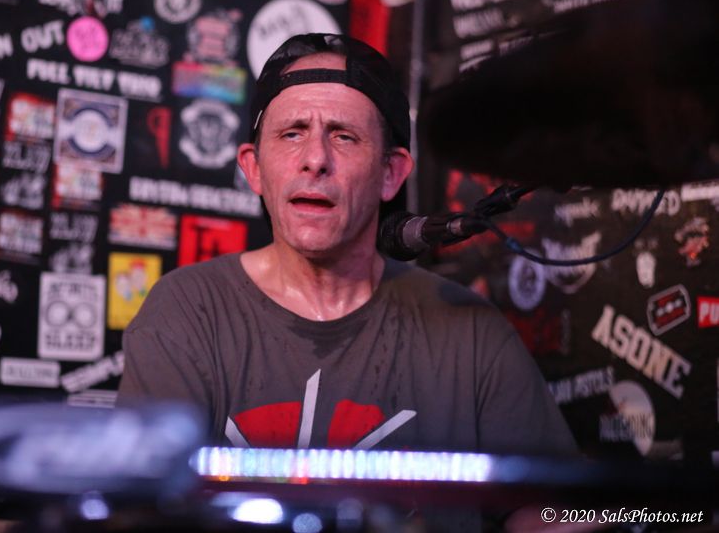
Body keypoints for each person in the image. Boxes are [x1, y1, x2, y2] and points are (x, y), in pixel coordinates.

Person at [118, 33, 576, 457]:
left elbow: (552, 508)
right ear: (254, 168)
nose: (316, 159)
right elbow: (147, 500)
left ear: (391, 173)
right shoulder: (188, 312)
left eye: (344, 136)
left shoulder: (470, 331)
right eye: (292, 133)